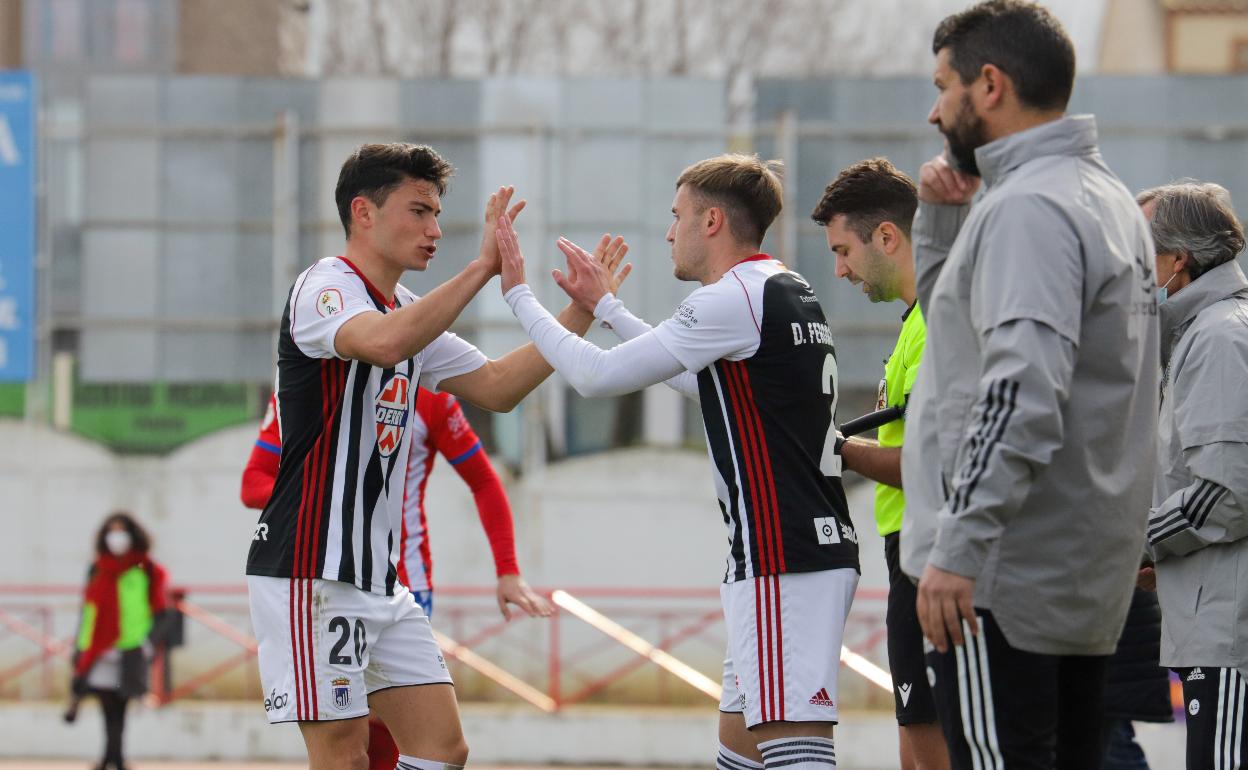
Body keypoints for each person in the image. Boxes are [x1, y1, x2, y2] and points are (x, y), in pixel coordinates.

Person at [246, 142, 621, 770]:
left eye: (438, 213)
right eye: (419, 211)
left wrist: (582, 309)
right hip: (311, 575)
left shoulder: (405, 314)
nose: (435, 230)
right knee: (343, 754)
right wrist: (481, 271)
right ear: (363, 212)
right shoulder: (325, 286)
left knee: (442, 749)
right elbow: (386, 345)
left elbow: (500, 387)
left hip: (380, 579)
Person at [495, 153, 859, 770]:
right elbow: (704, 385)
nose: (668, 232)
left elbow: (594, 375)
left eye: (677, 216)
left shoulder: (733, 298)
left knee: (798, 756)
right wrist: (606, 308)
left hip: (782, 559)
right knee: (740, 754)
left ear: (712, 221)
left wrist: (519, 296)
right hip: (792, 554)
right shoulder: (785, 288)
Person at [899, 2, 1160, 768]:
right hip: (1077, 576)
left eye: (944, 85)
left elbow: (1019, 393)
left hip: (995, 581)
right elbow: (962, 347)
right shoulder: (1101, 196)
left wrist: (957, 547)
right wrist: (942, 226)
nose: (934, 108)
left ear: (990, 85)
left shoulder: (1028, 208)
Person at [240, 386, 553, 770]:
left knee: (418, 733)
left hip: (406, 581)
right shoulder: (305, 385)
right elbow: (253, 482)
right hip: (331, 578)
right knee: (350, 736)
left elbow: (484, 478)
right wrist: (325, 498)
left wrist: (508, 570)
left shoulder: (427, 393)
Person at [811, 158, 949, 770]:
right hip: (912, 555)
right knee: (915, 743)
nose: (839, 270)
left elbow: (924, 463)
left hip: (932, 557)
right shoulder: (916, 320)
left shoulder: (939, 320)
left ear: (887, 237)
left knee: (932, 748)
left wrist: (831, 446)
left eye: (844, 250)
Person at [1135, 181, 1248, 769]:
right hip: (1214, 617)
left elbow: (1226, 494)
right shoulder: (1204, 333)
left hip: (1229, 631)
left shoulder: (1217, 337)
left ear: (1178, 260)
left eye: (1137, 250)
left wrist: (1138, 543)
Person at [66, 512, 170, 770]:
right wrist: (80, 646)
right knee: (106, 704)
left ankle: (115, 758)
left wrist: (148, 643)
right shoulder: (97, 568)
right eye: (111, 532)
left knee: (122, 704)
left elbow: (161, 611)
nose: (117, 538)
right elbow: (88, 610)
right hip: (99, 647)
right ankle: (112, 757)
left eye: (121, 531)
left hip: (131, 648)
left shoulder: (147, 569)